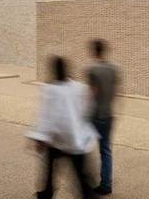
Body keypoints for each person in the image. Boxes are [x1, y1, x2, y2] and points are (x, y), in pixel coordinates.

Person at [28, 55, 97, 199]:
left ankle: (46, 194)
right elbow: (88, 107)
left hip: (57, 141)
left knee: (49, 172)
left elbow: (47, 116)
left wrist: (39, 138)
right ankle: (89, 196)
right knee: (82, 177)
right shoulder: (78, 87)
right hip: (75, 140)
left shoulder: (50, 89)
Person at [86, 39, 120, 196]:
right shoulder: (114, 69)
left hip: (94, 115)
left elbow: (92, 93)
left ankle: (84, 181)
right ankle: (106, 185)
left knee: (81, 146)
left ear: (94, 52)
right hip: (108, 115)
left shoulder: (91, 69)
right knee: (105, 150)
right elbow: (116, 92)